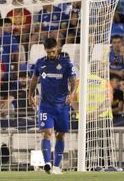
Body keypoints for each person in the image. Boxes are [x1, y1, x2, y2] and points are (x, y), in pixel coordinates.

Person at [28, 37, 76, 174]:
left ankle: (56, 166)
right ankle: (47, 163)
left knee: (60, 135)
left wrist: (72, 93)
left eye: (53, 51)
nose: (51, 54)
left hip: (62, 105)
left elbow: (73, 80)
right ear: (45, 50)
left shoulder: (66, 63)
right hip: (46, 105)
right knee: (46, 133)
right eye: (48, 52)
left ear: (57, 49)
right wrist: (30, 95)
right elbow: (34, 79)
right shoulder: (40, 63)